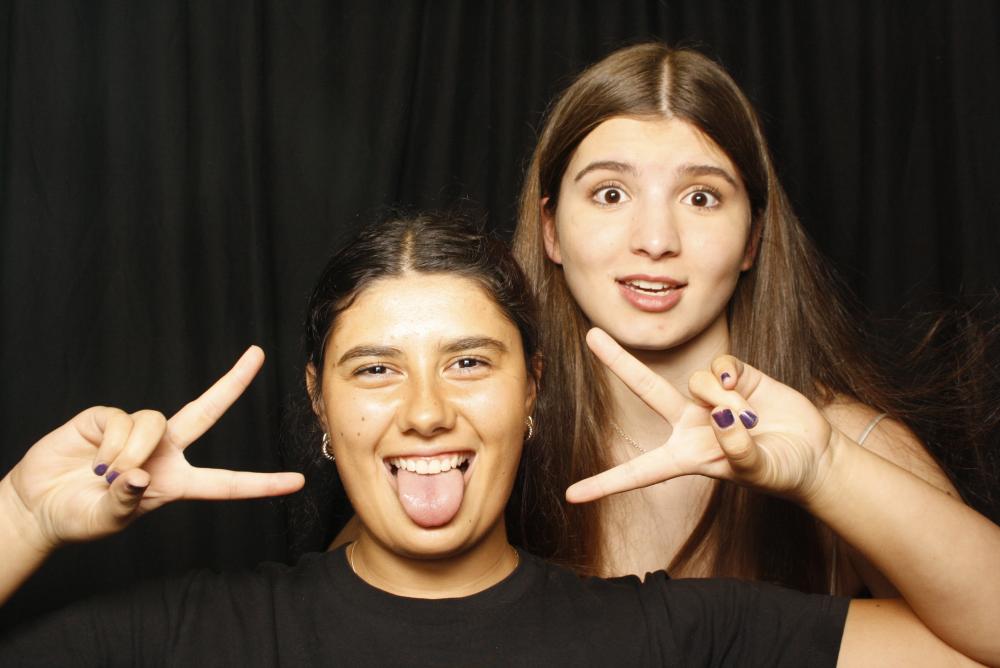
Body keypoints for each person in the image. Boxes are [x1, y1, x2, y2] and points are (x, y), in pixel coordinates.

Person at [1, 213, 999, 666]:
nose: (425, 410)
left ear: (533, 391)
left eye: (470, 361)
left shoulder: (664, 637)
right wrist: (21, 516)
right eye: (375, 368)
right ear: (319, 403)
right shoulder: (192, 637)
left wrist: (822, 465)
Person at [509, 41, 988, 593]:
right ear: (551, 229)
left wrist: (827, 471)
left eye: (701, 198)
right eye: (611, 194)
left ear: (753, 237)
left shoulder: (852, 442)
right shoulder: (498, 441)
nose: (656, 241)